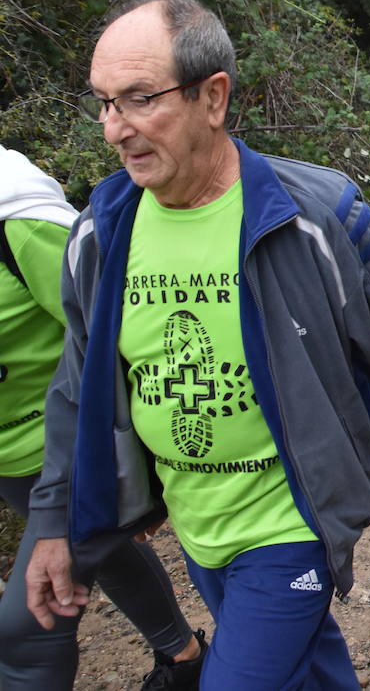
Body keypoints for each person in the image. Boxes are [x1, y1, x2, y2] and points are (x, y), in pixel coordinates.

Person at [26, 0, 370, 688]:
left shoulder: (311, 218)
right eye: (103, 102)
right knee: (305, 671)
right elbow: (77, 387)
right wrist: (53, 517)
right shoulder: (101, 236)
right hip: (197, 520)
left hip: (290, 525)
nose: (113, 129)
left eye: (137, 100)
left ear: (212, 97)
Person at [0, 146, 205, 689]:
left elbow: (102, 330)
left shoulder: (17, 225)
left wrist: (143, 468)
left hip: (64, 451)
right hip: (9, 462)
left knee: (24, 628)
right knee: (107, 557)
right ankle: (184, 660)